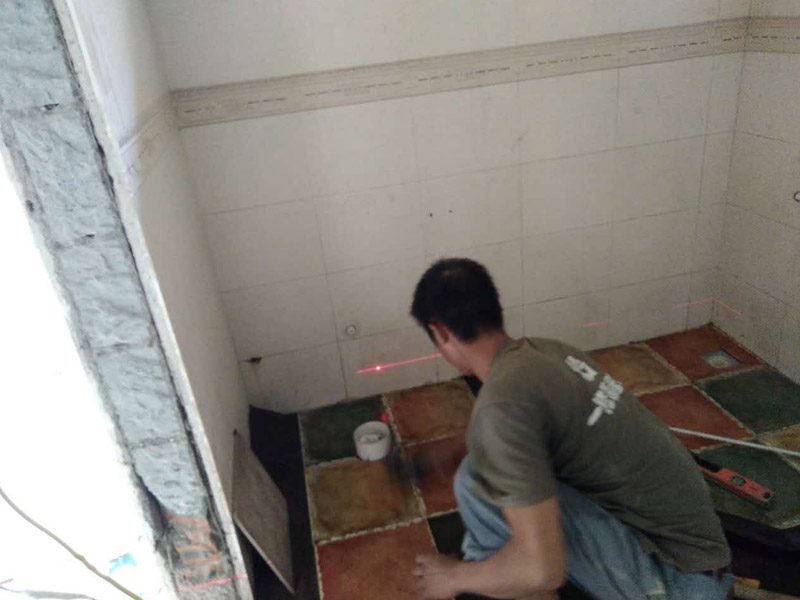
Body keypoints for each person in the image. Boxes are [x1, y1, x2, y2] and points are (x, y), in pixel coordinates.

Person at [409, 258, 733, 600]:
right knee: (485, 467)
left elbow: (543, 571)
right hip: (700, 554)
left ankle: (507, 585)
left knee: (477, 485)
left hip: (679, 583)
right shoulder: (547, 352)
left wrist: (453, 577)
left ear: (440, 333)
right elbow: (523, 424)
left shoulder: (501, 409)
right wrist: (458, 447)